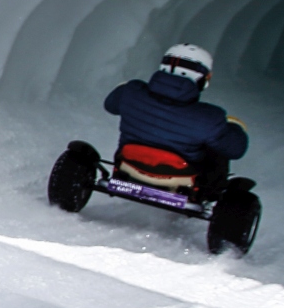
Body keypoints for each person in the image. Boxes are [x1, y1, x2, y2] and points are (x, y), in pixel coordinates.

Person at [103, 44, 247, 197]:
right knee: (218, 146)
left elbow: (110, 105)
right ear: (202, 77)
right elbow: (236, 150)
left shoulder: (131, 91)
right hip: (181, 179)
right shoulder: (210, 116)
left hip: (129, 166)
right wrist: (234, 126)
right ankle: (210, 192)